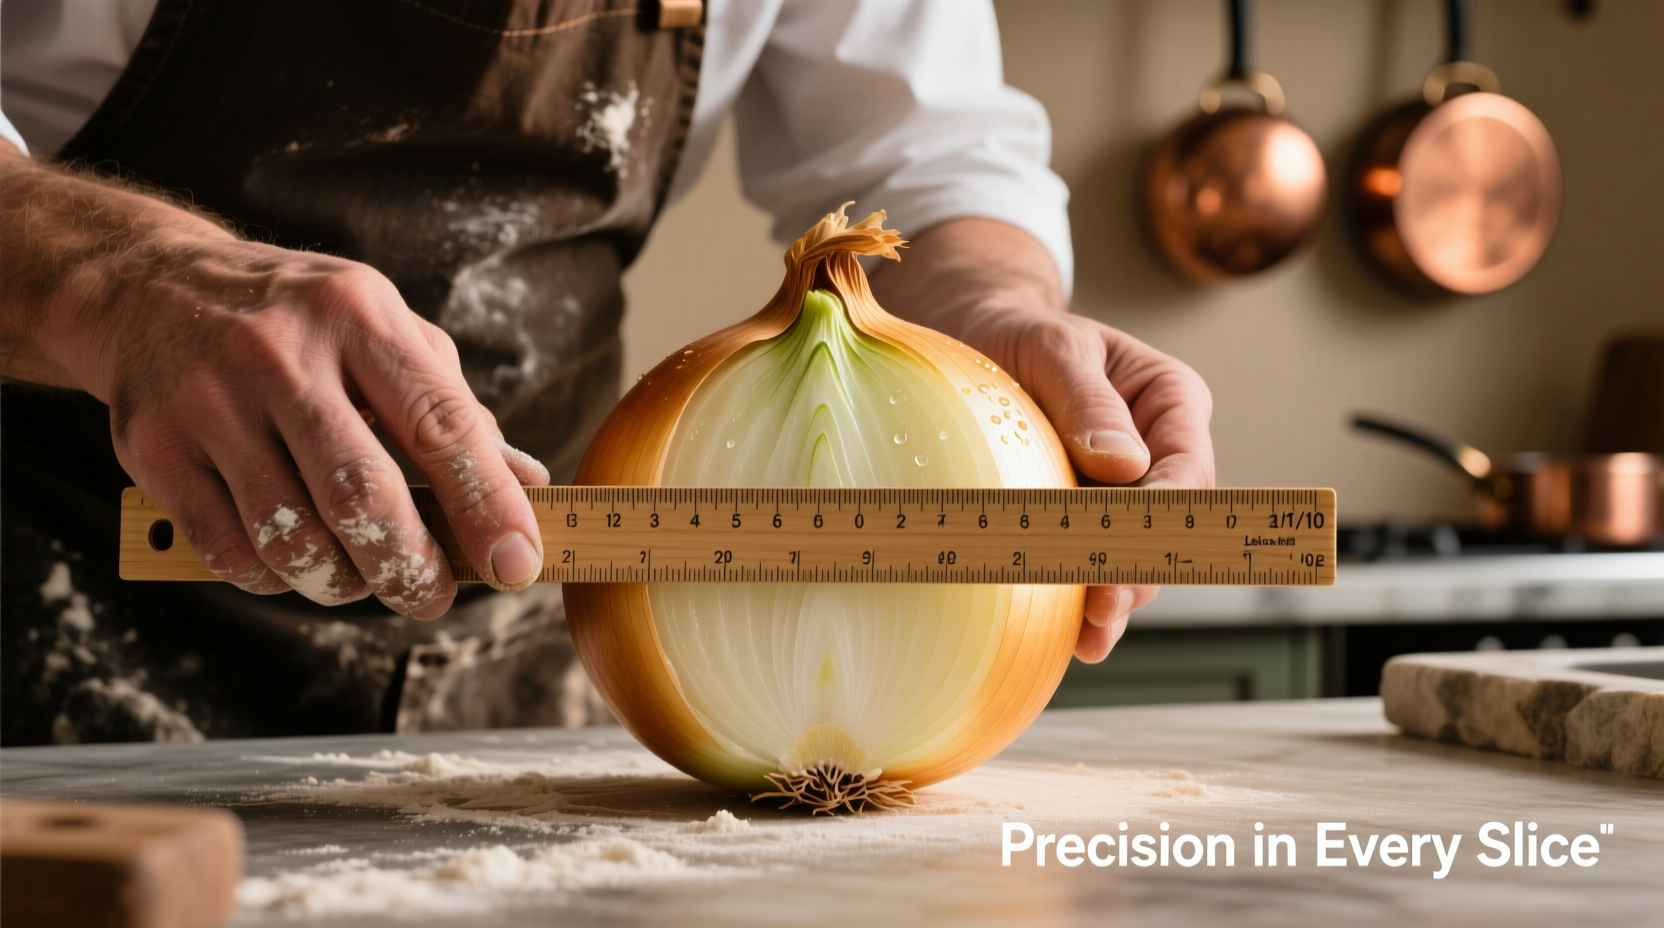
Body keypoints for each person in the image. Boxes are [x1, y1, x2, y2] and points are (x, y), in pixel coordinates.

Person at [0, 0, 1213, 745]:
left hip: (528, 638)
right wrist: (116, 279)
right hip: (42, 593)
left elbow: (924, 152)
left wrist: (986, 314)